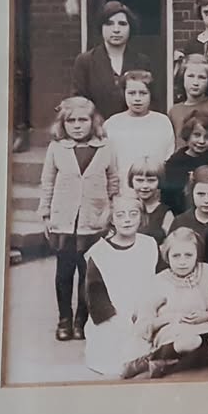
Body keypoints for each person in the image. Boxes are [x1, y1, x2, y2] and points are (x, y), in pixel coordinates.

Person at [38, 96, 119, 341]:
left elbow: (113, 181)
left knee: (88, 274)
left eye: (82, 120)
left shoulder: (106, 148)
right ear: (63, 124)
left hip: (94, 221)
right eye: (71, 120)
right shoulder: (57, 148)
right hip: (63, 221)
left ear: (93, 122)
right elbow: (47, 182)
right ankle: (64, 319)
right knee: (64, 273)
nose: (76, 125)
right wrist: (46, 214)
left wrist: (112, 213)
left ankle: (81, 320)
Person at [122, 228, 208, 379]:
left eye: (188, 255)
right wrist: (168, 318)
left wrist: (205, 316)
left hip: (205, 329)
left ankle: (165, 366)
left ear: (197, 255)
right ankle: (155, 359)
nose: (182, 261)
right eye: (176, 256)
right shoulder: (158, 282)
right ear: (167, 256)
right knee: (190, 341)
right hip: (173, 333)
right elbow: (143, 325)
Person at [83, 191, 158, 376]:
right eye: (120, 215)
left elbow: (159, 282)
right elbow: (96, 297)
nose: (127, 220)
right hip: (111, 319)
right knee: (116, 358)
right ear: (111, 219)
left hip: (144, 313)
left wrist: (148, 312)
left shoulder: (149, 245)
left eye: (133, 214)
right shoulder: (99, 253)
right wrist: (120, 321)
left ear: (141, 217)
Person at [72, 1, 150, 119]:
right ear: (101, 27)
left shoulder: (142, 61)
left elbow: (150, 101)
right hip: (99, 127)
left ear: (130, 28)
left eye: (122, 24)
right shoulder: (85, 61)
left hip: (133, 126)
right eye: (109, 24)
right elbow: (79, 103)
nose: (116, 29)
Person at [103, 70, 175, 190]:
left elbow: (168, 158)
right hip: (121, 190)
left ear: (151, 94)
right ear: (124, 93)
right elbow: (106, 162)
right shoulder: (112, 124)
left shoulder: (162, 122)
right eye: (131, 93)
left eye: (143, 93)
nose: (137, 99)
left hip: (153, 189)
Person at [162, 111, 208, 215]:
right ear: (188, 135)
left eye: (207, 137)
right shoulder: (175, 162)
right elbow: (169, 196)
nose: (201, 141)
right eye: (197, 135)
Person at [169, 54, 208, 148]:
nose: (195, 83)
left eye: (201, 77)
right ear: (182, 77)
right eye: (190, 76)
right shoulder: (175, 111)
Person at [128, 157, 173, 245]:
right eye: (139, 180)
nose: (145, 186)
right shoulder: (126, 208)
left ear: (159, 182)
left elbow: (169, 244)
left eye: (151, 180)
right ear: (131, 181)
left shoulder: (165, 213)